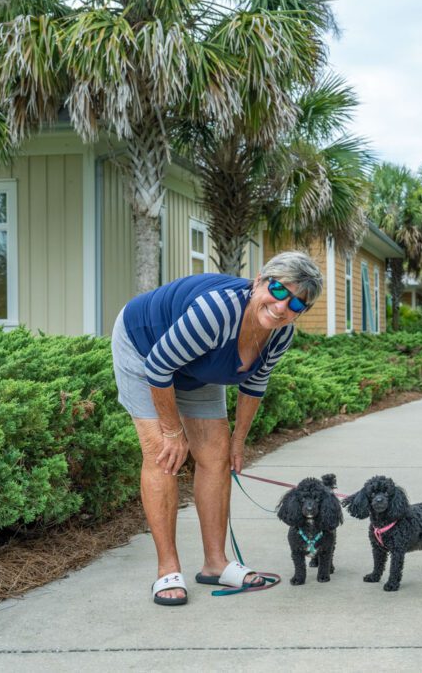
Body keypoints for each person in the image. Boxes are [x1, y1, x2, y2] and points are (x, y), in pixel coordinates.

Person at [111, 251, 323, 606]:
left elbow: (254, 385)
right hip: (145, 351)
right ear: (258, 281)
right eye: (279, 290)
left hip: (198, 363)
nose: (283, 306)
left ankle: (215, 563)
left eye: (297, 303)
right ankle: (167, 570)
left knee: (216, 454)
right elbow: (160, 368)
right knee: (164, 455)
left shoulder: (280, 334)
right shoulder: (217, 313)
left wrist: (238, 441)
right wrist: (173, 431)